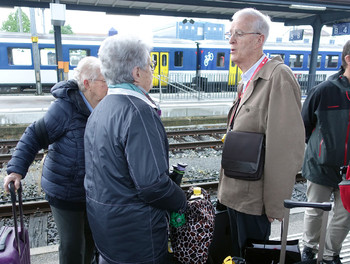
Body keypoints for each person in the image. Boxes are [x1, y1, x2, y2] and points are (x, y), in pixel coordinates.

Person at [83, 34, 187, 264]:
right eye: (150, 65)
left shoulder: (100, 109)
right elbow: (152, 186)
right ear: (137, 73)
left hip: (106, 227)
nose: (152, 70)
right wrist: (181, 200)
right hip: (138, 236)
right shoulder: (138, 113)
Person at [217, 8, 305, 257]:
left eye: (239, 34)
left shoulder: (278, 78)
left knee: (251, 257)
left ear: (259, 39)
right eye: (230, 34)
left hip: (252, 203)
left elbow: (286, 147)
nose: (231, 41)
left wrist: (276, 204)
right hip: (233, 196)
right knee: (234, 257)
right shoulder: (248, 79)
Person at [3, 56, 108, 264]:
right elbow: (34, 135)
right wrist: (15, 171)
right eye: (105, 81)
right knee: (72, 245)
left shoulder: (104, 107)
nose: (109, 85)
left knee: (91, 241)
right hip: (65, 190)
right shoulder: (64, 109)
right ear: (87, 84)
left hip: (92, 191)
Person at [301, 40, 350, 264]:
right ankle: (309, 250)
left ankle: (331, 254)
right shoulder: (323, 91)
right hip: (320, 165)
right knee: (314, 211)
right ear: (348, 59)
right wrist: (321, 150)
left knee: (344, 216)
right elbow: (304, 124)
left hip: (349, 171)